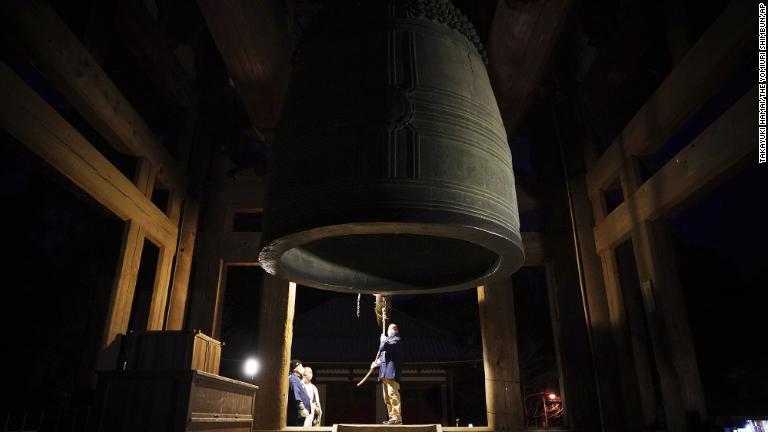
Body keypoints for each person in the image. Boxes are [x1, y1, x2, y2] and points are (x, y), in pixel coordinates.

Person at [372, 323, 403, 425]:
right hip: (384, 373)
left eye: (393, 329)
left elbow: (384, 347)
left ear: (396, 331)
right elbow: (383, 355)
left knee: (393, 394)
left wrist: (383, 340)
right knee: (386, 397)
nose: (391, 330)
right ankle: (391, 417)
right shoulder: (389, 341)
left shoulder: (396, 340)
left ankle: (397, 418)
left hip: (391, 373)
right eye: (390, 328)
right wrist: (376, 363)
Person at [287, 359, 312, 426]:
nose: (303, 368)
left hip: (300, 417)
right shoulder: (293, 379)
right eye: (301, 366)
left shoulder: (297, 380)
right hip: (296, 416)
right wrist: (302, 408)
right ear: (295, 369)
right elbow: (296, 395)